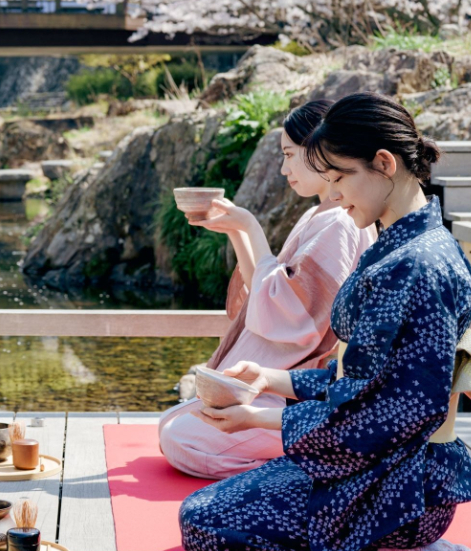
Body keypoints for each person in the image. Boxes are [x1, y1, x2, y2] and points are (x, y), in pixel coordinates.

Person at [178, 92, 471, 551]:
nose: (333, 193)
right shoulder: (412, 246)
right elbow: (361, 380)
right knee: (203, 509)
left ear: (384, 163)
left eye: (339, 177)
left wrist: (257, 418)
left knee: (204, 522)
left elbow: (388, 412)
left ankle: (397, 547)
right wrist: (270, 378)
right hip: (378, 466)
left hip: (396, 489)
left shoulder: (415, 265)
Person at [158, 100, 376, 479]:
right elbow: (265, 295)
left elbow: (288, 315)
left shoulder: (341, 224)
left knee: (180, 438)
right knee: (171, 423)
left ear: (322, 151)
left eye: (290, 155)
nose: (284, 169)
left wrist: (252, 227)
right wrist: (237, 232)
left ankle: (304, 467)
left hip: (300, 387)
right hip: (280, 382)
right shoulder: (317, 215)